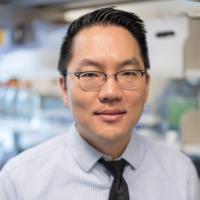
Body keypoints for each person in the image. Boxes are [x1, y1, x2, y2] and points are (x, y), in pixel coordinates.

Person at [0, 7, 199, 200]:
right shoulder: (19, 183)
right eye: (90, 74)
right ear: (64, 89)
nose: (111, 92)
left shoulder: (181, 174)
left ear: (146, 85)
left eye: (128, 73)